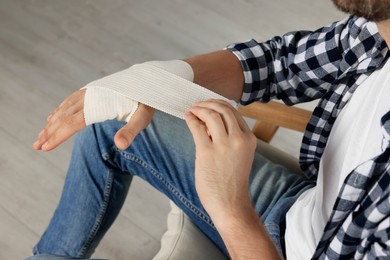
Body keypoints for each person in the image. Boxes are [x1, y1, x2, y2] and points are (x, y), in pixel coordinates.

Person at [29, 0, 390, 259]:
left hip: (263, 242)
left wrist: (230, 208)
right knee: (114, 121)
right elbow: (281, 63)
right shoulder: (379, 28)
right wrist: (151, 80)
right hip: (302, 209)